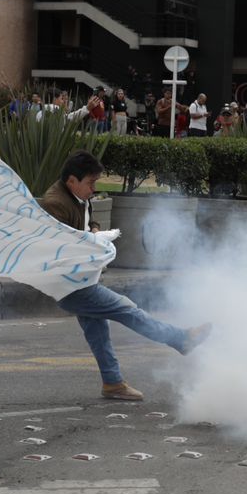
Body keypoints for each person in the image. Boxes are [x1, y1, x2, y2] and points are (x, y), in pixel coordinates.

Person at [39, 152, 212, 400]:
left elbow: (88, 220)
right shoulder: (54, 204)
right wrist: (92, 242)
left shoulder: (77, 195)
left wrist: (96, 231)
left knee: (98, 334)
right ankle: (181, 339)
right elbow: (56, 247)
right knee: (128, 310)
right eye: (90, 183)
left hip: (81, 279)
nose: (94, 188)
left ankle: (112, 383)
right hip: (69, 285)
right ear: (71, 181)